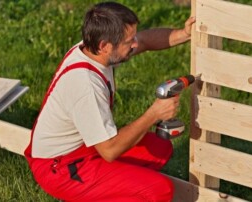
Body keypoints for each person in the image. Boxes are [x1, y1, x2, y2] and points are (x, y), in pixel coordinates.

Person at [24, 2, 195, 202]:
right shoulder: (86, 86)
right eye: (129, 41)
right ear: (104, 46)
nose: (135, 44)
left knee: (159, 149)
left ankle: (110, 189)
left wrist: (184, 33)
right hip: (61, 167)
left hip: (82, 147)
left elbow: (146, 41)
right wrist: (154, 114)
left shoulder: (92, 49)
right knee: (159, 190)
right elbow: (110, 150)